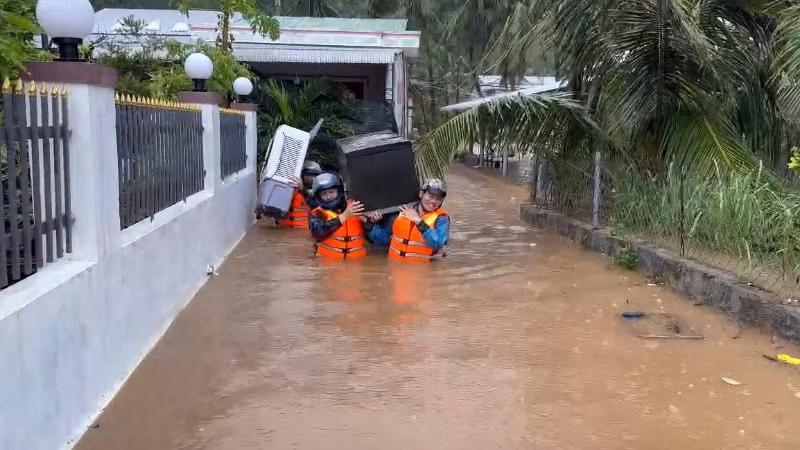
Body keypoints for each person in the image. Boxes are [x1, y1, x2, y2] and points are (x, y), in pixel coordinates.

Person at [366, 178, 449, 261]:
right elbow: (381, 240)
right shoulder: (400, 212)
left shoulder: (441, 219)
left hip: (420, 270)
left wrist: (418, 221)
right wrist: (371, 224)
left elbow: (438, 243)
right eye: (431, 196)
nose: (433, 201)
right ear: (421, 194)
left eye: (438, 199)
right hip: (394, 268)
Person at [308, 173, 368, 259]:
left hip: (357, 263)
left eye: (331, 192)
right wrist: (344, 216)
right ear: (319, 196)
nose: (328, 197)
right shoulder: (317, 213)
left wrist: (371, 223)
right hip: (327, 264)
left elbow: (373, 238)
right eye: (324, 194)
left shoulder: (356, 207)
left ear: (338, 191)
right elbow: (318, 232)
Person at [277, 160, 323, 227]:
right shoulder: (290, 189)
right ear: (302, 176)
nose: (312, 179)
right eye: (308, 175)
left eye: (314, 176)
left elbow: (316, 203)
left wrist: (302, 189)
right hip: (284, 229)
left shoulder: (320, 193)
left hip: (304, 230)